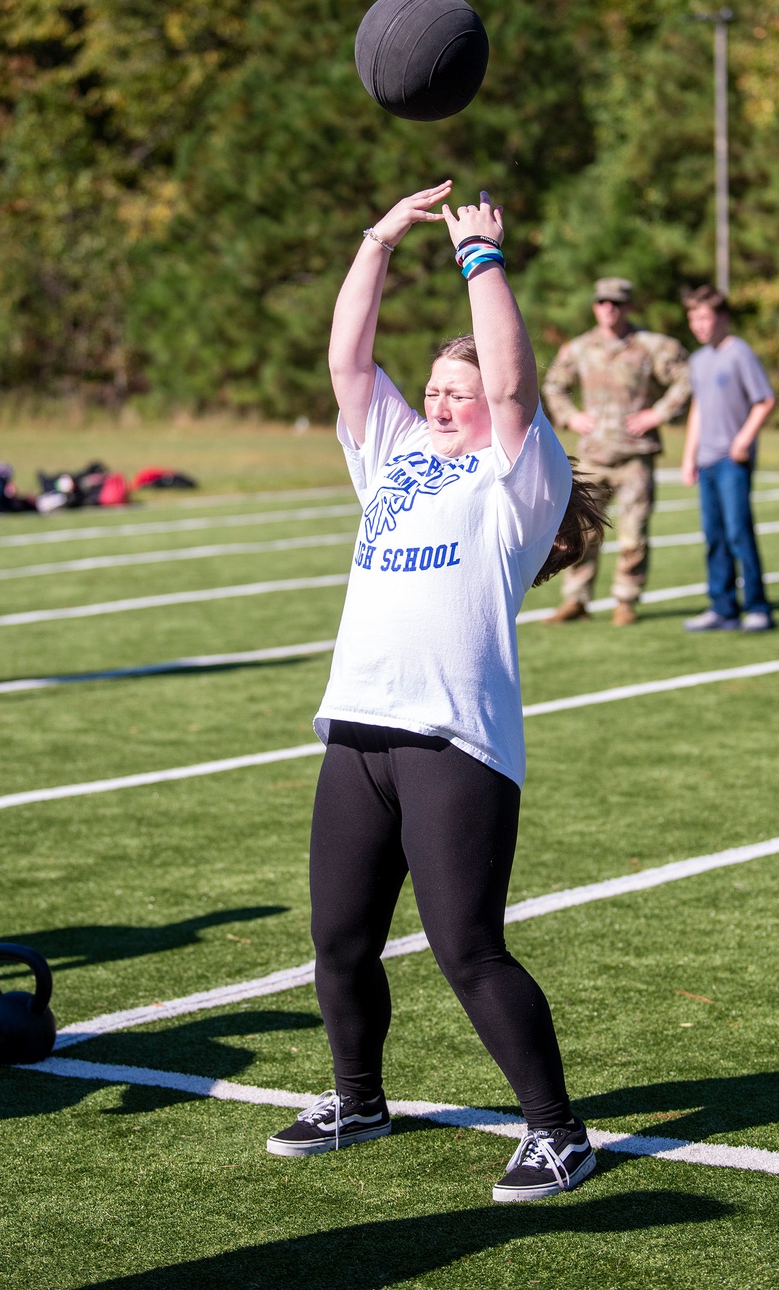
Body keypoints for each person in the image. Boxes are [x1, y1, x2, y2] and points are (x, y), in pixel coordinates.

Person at [265, 183, 604, 1204]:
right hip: (358, 736)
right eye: (435, 386)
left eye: (455, 388)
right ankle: (358, 1099)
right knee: (338, 941)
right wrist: (376, 238)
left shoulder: (515, 476)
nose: (443, 399)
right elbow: (347, 361)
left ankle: (558, 1132)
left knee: (465, 946)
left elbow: (509, 385)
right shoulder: (392, 454)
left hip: (454, 743)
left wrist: (479, 259)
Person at [541, 277, 690, 625]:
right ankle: (576, 599)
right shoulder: (578, 348)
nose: (609, 308)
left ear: (629, 307)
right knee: (581, 531)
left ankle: (626, 598)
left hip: (635, 455)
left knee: (633, 533)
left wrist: (658, 413)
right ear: (595, 307)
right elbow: (554, 385)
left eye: (617, 303)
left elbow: (686, 378)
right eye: (603, 302)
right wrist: (570, 416)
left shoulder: (651, 346)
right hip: (593, 455)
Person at [680, 284, 776, 631]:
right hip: (706, 461)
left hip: (732, 461)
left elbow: (765, 400)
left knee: (738, 533)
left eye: (704, 317)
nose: (699, 325)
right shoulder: (698, 360)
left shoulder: (740, 353)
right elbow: (699, 408)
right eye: (693, 317)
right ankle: (722, 608)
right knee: (714, 536)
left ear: (722, 317)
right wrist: (689, 455)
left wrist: (743, 440)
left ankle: (758, 607)